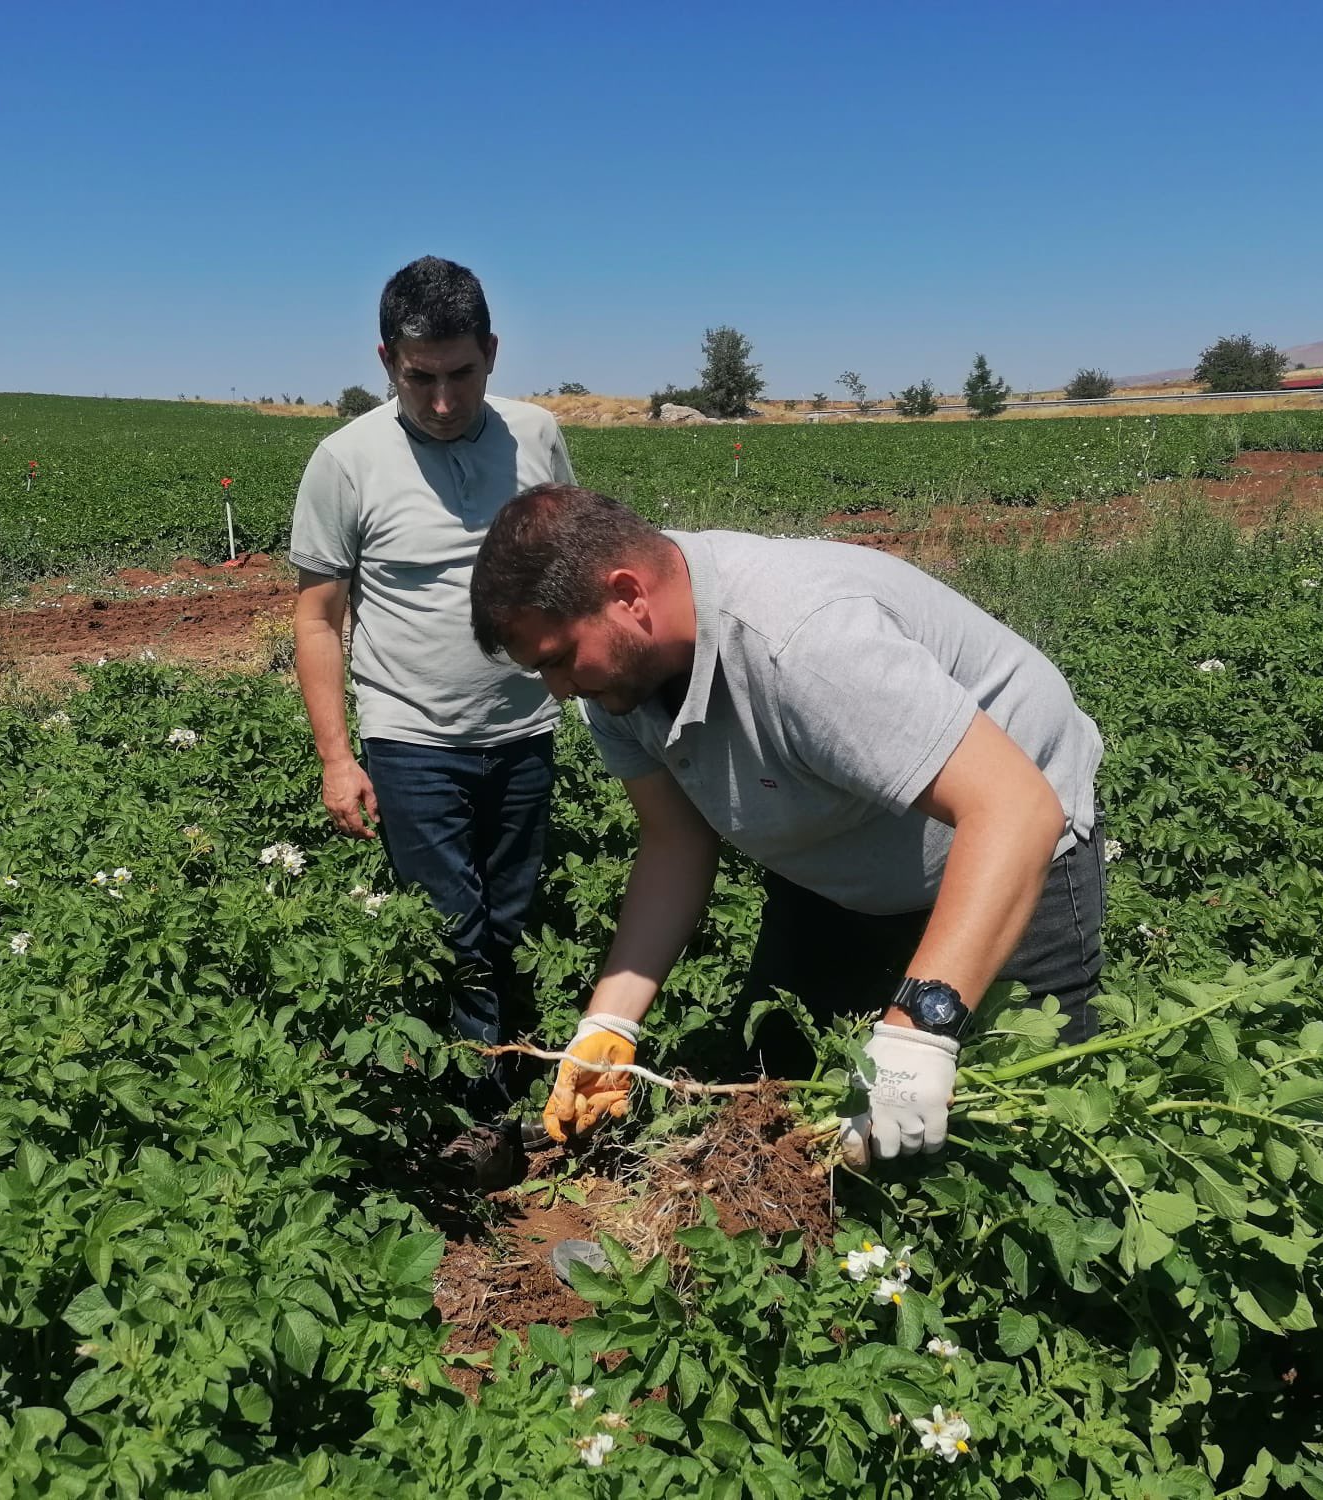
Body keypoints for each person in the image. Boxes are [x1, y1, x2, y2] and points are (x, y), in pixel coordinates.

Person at [468, 484, 1107, 1168]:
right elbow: (675, 840)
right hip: (835, 873)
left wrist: (923, 1029)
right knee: (772, 1116)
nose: (559, 690)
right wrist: (610, 1022)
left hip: (1003, 861)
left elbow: (1015, 808)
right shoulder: (620, 682)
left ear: (628, 594)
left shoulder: (801, 640)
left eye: (560, 658)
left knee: (1019, 1144)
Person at [289, 257, 575, 1182]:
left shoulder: (539, 437)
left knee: (517, 917)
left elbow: (568, 570)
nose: (444, 401)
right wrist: (338, 757)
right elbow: (318, 618)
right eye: (420, 377)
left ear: (492, 352)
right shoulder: (346, 461)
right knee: (454, 926)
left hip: (525, 728)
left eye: (462, 374)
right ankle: (471, 1118)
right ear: (387, 360)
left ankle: (516, 1078)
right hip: (411, 735)